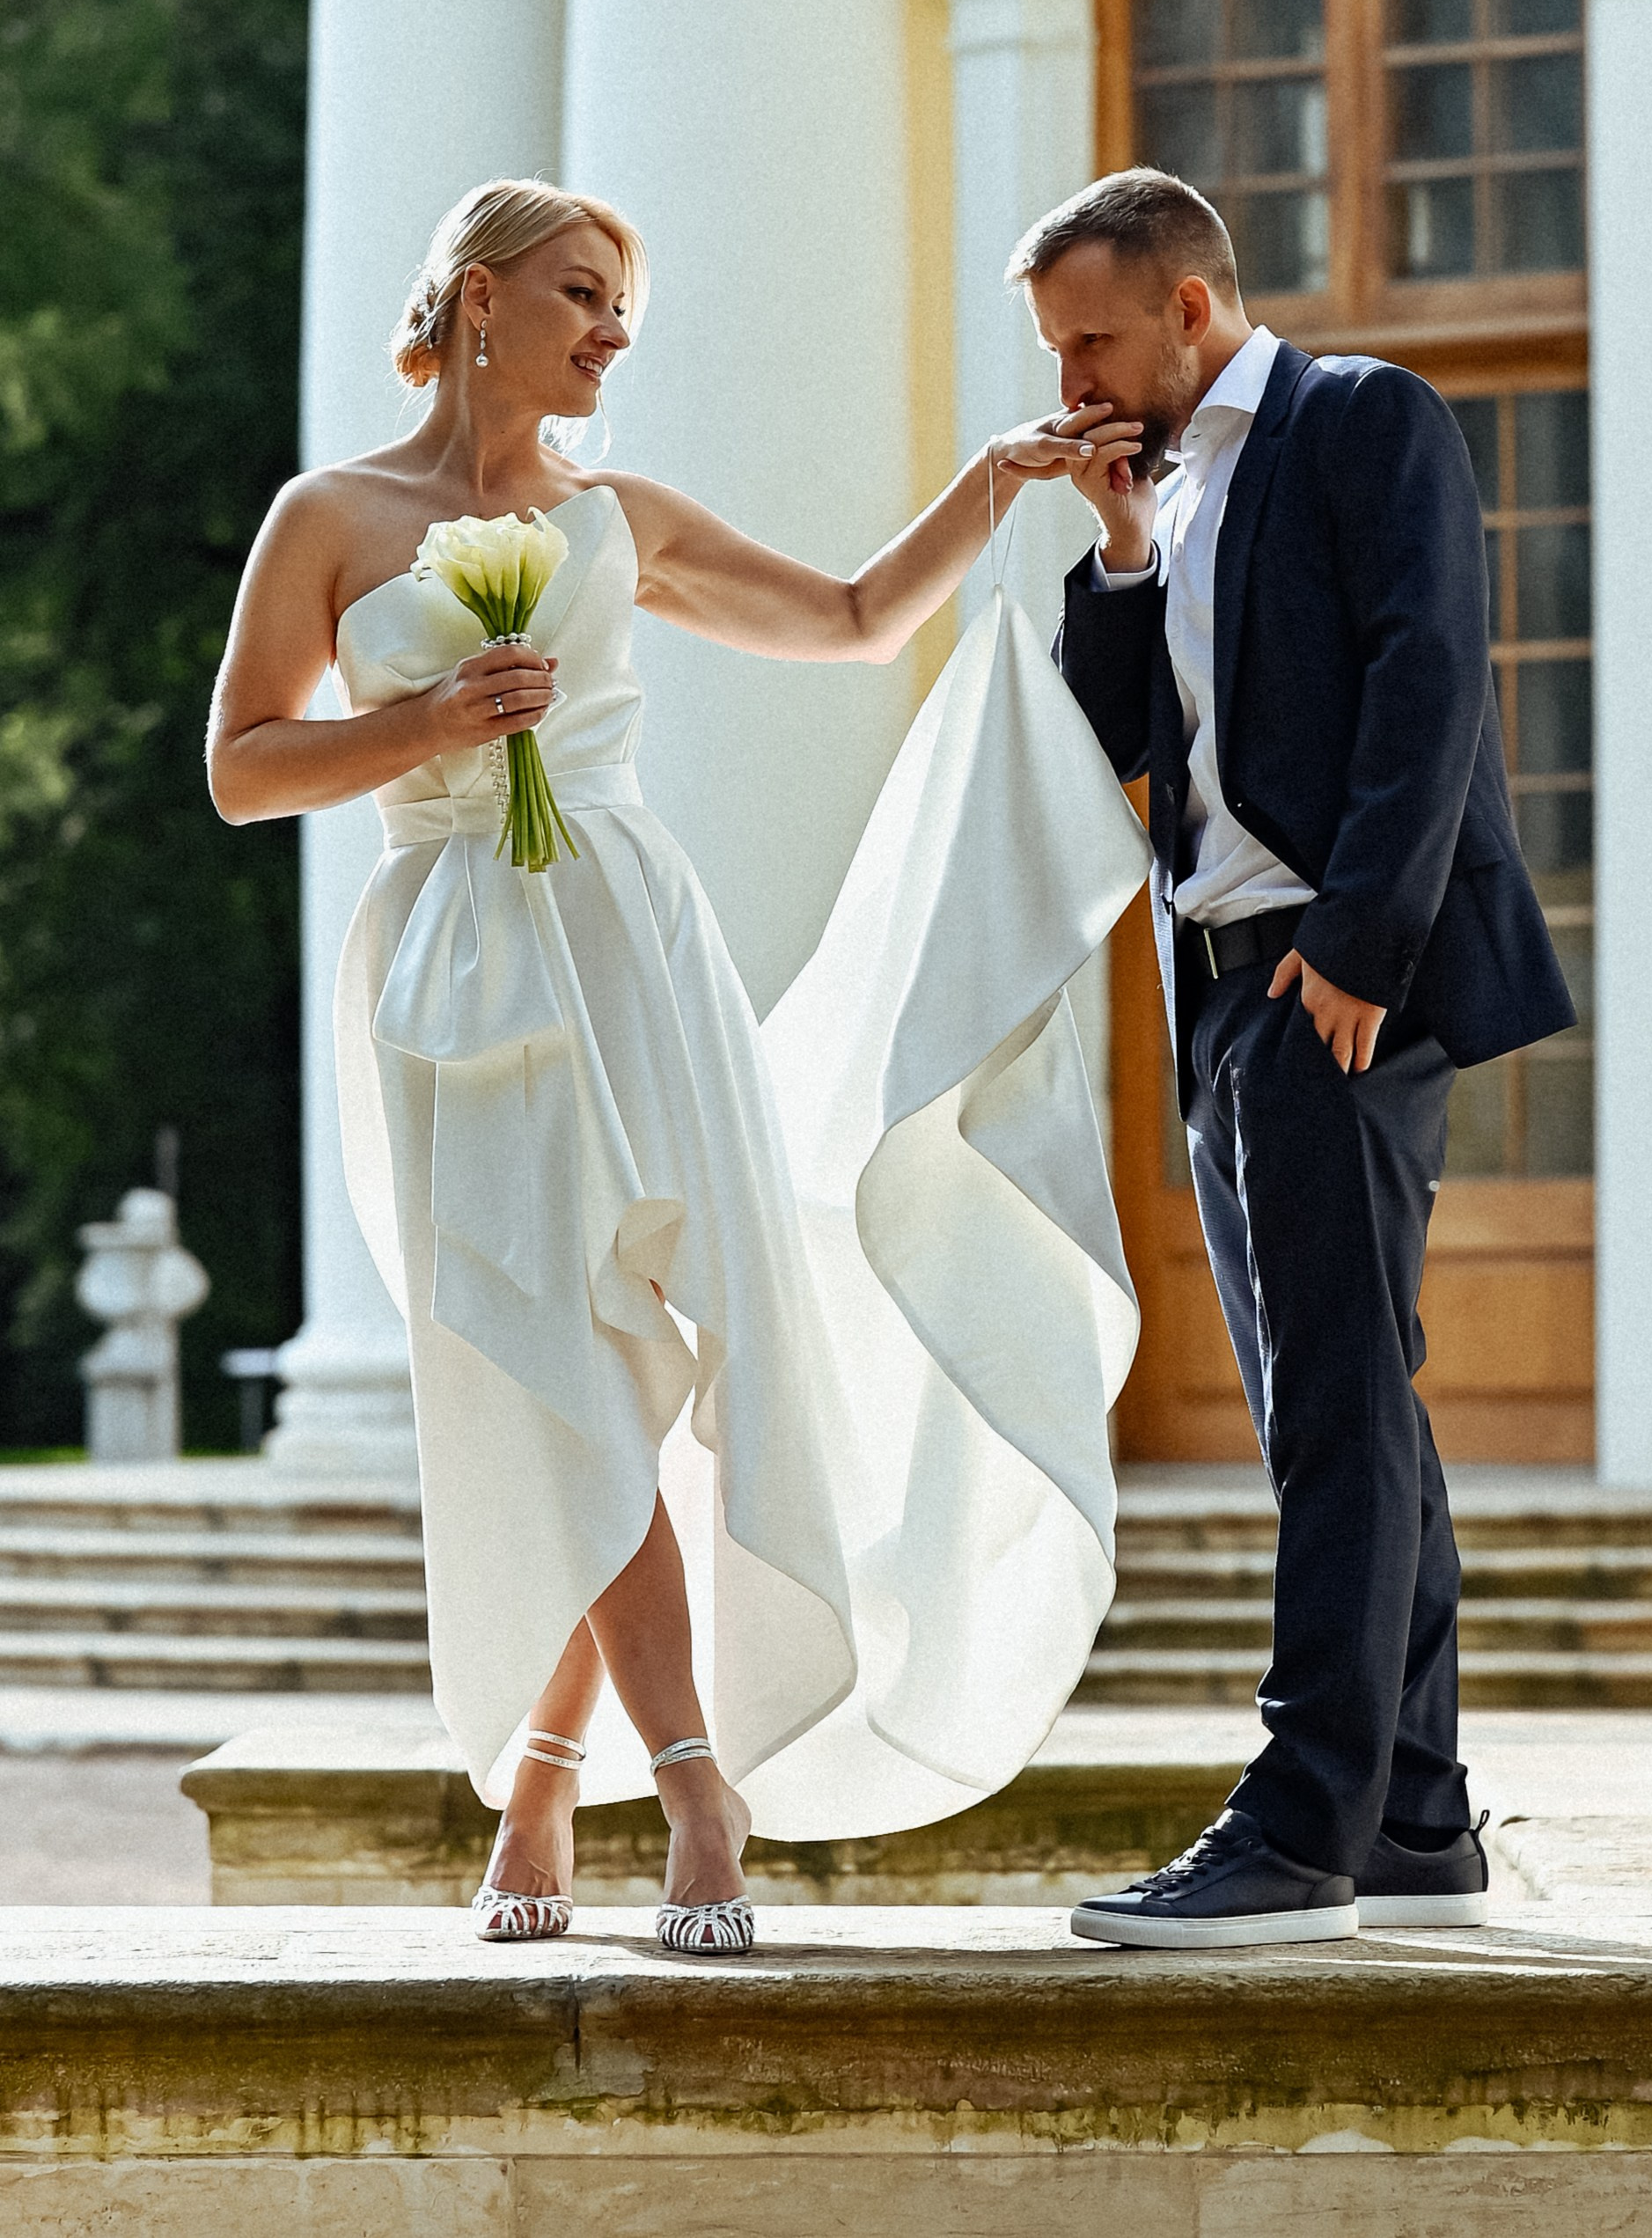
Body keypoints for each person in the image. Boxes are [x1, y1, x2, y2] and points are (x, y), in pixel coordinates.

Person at [208, 178, 1138, 1955]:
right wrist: (426, 722)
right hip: (451, 978)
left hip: (634, 952)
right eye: (581, 291)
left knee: (642, 1358)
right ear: (480, 298)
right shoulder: (328, 515)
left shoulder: (620, 518)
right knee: (558, 1357)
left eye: (623, 300)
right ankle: (691, 1778)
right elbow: (244, 766)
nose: (610, 327)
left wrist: (1000, 479)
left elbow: (860, 614)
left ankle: (560, 1770)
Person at [1020, 167, 1575, 1950]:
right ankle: (1414, 1814)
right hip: (1221, 979)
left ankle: (1298, 1821)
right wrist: (1114, 538)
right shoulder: (1165, 492)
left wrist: (1356, 940)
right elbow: (1113, 728)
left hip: (1330, 973)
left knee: (1334, 1400)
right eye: (1053, 346)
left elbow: (1432, 673)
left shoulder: (1358, 418)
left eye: (1092, 333)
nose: (1073, 372)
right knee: (1338, 1399)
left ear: (1188, 304)